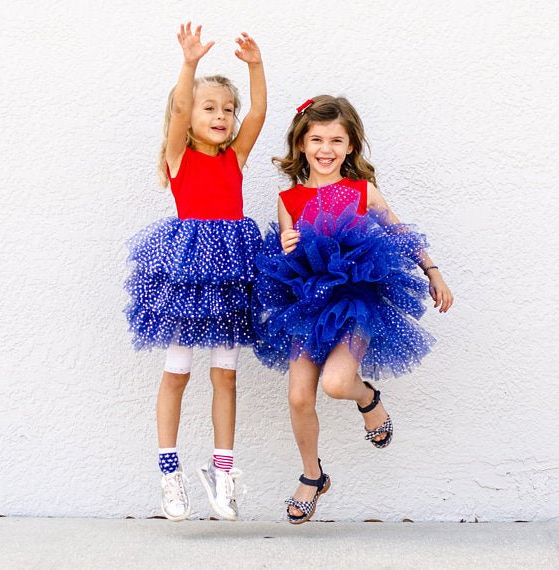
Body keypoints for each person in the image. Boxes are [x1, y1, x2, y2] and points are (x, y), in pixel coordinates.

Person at [252, 95, 453, 524]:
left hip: (355, 299)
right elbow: (288, 248)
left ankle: (368, 398)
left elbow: (399, 232)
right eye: (317, 139)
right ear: (302, 144)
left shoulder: (363, 191)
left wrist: (432, 271)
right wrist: (288, 244)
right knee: (299, 395)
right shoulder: (288, 200)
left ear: (350, 147)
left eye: (337, 140)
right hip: (305, 301)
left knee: (338, 383)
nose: (326, 149)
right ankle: (312, 475)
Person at [124, 22, 266, 522]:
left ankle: (222, 472)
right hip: (187, 273)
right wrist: (189, 64)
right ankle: (170, 474)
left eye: (227, 110)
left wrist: (255, 67)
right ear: (186, 121)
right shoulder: (178, 155)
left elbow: (260, 113)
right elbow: (181, 107)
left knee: (225, 374)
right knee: (178, 372)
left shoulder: (237, 158)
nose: (222, 116)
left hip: (228, 273)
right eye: (211, 108)